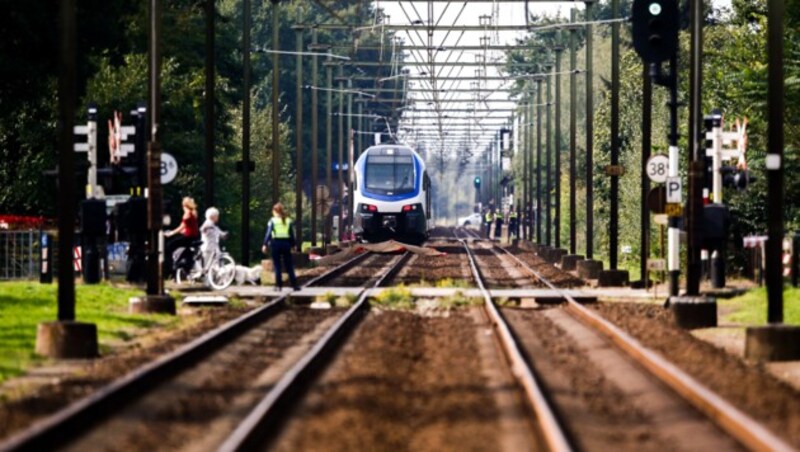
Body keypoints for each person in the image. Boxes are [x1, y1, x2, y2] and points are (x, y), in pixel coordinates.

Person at [262, 202, 299, 291]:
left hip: (276, 244)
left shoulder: (272, 221)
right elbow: (291, 234)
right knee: (289, 265)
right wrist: (293, 245)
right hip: (286, 244)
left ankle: (278, 286)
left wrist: (265, 244)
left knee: (277, 265)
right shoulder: (288, 220)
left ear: (275, 211)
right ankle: (294, 285)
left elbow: (268, 234)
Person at [165, 197, 200, 277]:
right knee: (185, 250)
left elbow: (182, 226)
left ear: (184, 205)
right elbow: (190, 226)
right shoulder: (194, 212)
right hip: (194, 236)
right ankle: (183, 265)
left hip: (188, 237)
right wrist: (181, 231)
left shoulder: (187, 214)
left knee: (169, 246)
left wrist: (171, 233)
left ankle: (171, 267)